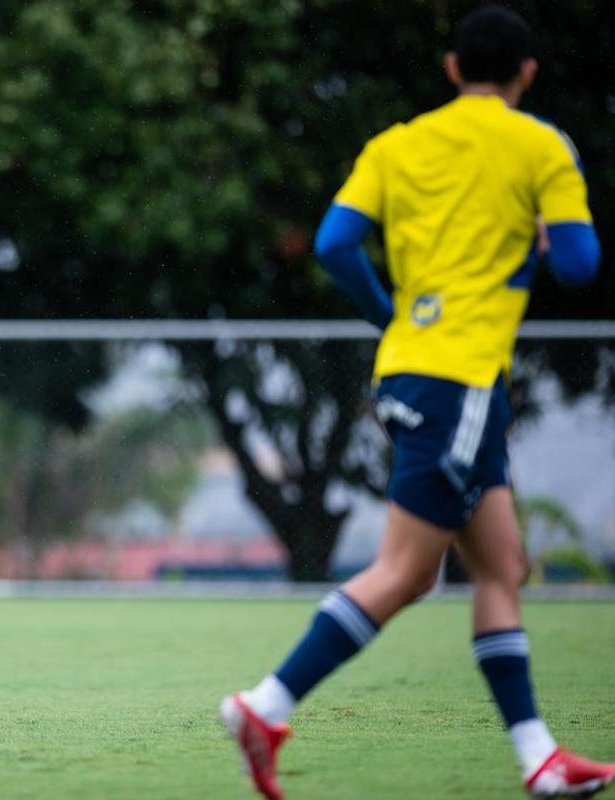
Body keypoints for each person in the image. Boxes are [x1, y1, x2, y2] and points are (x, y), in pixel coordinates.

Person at [220, 6, 613, 798]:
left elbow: (333, 243)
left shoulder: (394, 145)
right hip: (462, 380)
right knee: (403, 573)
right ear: (526, 74)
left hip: (410, 368)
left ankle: (537, 757)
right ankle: (266, 703)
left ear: (449, 68)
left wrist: (391, 313)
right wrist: (540, 232)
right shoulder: (541, 146)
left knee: (501, 564)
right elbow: (578, 262)